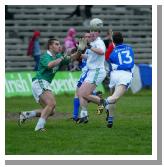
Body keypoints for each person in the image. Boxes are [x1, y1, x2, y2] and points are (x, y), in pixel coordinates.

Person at [19, 38, 70, 131]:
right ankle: (39, 127)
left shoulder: (58, 56)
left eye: (59, 44)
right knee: (52, 103)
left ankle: (27, 114)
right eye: (56, 44)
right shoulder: (45, 56)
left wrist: (79, 50)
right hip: (40, 81)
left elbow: (71, 58)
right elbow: (50, 65)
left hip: (42, 83)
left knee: (51, 111)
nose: (59, 46)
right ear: (50, 46)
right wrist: (62, 57)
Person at [77, 18, 107, 123]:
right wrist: (79, 52)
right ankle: (84, 115)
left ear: (98, 33)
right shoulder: (93, 43)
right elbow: (88, 57)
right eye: (91, 31)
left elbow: (102, 52)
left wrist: (88, 46)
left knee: (84, 93)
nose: (92, 33)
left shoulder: (99, 42)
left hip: (97, 71)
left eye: (95, 31)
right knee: (81, 93)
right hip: (92, 71)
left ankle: (102, 102)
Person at [104, 32, 134, 128]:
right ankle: (101, 103)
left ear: (114, 41)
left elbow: (107, 59)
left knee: (113, 97)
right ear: (123, 39)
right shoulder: (130, 49)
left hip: (114, 75)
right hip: (125, 74)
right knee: (114, 98)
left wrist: (111, 46)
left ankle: (110, 119)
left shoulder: (112, 51)